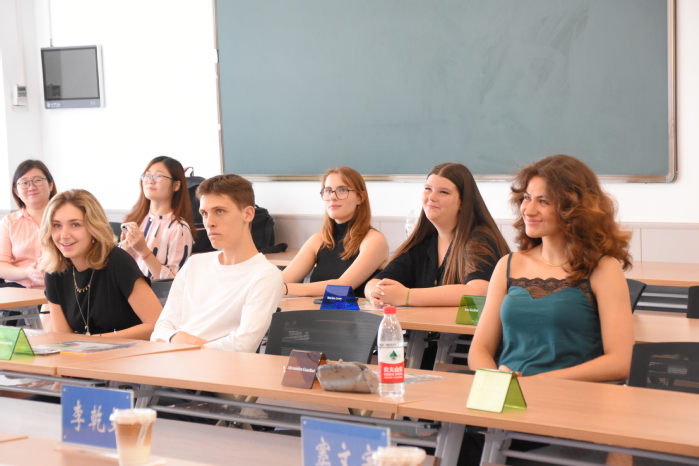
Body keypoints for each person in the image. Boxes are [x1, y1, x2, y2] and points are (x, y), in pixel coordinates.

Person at [468, 154, 634, 381]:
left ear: (572, 209)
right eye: (527, 198)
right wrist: (496, 378)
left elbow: (622, 361)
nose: (528, 210)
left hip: (570, 395)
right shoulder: (508, 264)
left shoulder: (604, 269)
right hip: (509, 392)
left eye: (543, 201)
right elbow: (479, 350)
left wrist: (541, 382)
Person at [151, 174, 283, 352]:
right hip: (173, 360)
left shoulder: (265, 275)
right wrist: (177, 337)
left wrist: (185, 345)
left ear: (248, 214)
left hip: (216, 366)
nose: (209, 223)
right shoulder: (194, 264)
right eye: (204, 213)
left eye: (220, 211)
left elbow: (243, 345)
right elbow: (160, 330)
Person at [365, 163, 510, 306]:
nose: (432, 197)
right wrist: (377, 294)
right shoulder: (423, 242)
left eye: (443, 192)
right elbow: (374, 283)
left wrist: (407, 296)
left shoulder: (480, 239)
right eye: (428, 189)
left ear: (463, 202)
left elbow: (479, 291)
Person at [40, 189, 162, 339]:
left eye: (75, 225)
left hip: (132, 352)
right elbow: (64, 337)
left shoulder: (118, 261)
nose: (64, 235)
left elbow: (156, 325)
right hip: (87, 351)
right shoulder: (55, 271)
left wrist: (96, 341)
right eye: (56, 225)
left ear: (94, 227)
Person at [282, 167, 388, 298]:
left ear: (360, 198)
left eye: (342, 190)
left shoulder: (374, 239)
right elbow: (282, 279)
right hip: (315, 310)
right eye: (328, 191)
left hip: (354, 312)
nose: (332, 197)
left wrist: (285, 288)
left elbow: (342, 286)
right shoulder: (317, 240)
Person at [121, 156, 195, 279]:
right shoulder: (135, 220)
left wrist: (143, 251)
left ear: (176, 185)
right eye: (147, 175)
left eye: (158, 176)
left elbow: (174, 279)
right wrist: (126, 250)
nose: (150, 181)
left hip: (154, 292)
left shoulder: (179, 228)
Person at [0, 160, 57, 289]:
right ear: (16, 191)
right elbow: (1, 265)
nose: (31, 187)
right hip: (20, 289)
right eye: (24, 183)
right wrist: (26, 272)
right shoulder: (9, 222)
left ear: (50, 185)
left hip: (60, 289)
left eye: (37, 180)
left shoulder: (66, 218)